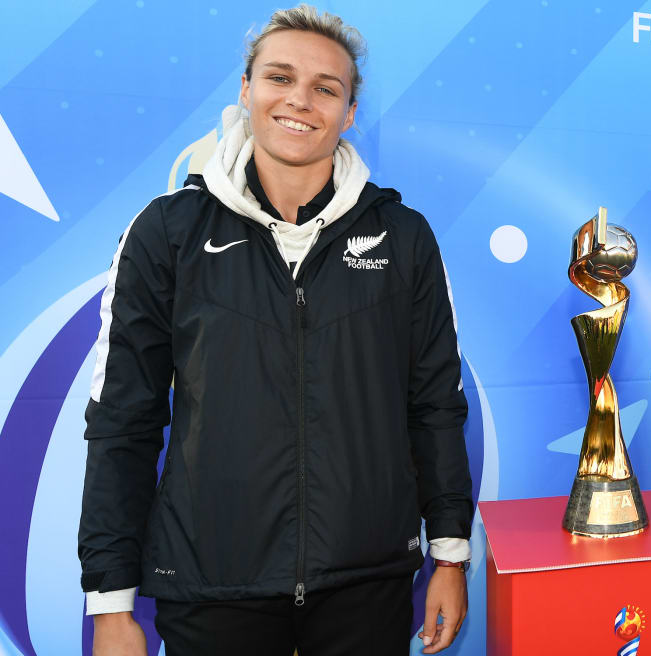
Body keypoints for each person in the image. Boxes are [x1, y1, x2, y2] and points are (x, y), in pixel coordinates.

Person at [78, 5, 472, 655]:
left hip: (366, 583)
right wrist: (110, 601)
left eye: (326, 88)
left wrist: (450, 557)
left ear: (349, 113)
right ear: (246, 90)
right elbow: (123, 418)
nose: (300, 100)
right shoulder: (168, 232)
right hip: (211, 587)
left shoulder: (403, 239)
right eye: (279, 77)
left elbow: (434, 405)